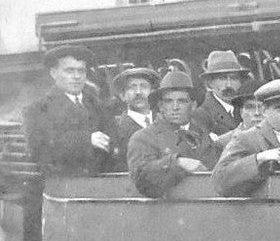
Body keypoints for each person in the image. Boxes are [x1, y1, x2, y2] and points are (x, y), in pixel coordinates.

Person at [22, 44, 120, 175]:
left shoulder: (99, 107)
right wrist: (86, 141)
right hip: (62, 187)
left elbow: (114, 143)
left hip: (101, 183)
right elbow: (38, 150)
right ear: (53, 73)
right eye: (69, 71)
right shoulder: (37, 109)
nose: (77, 76)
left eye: (81, 71)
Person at [126, 70, 213, 197]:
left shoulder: (202, 135)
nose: (175, 107)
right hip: (164, 212)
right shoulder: (143, 138)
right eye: (168, 101)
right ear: (161, 106)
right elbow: (141, 176)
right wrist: (177, 163)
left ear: (193, 105)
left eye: (182, 101)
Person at [191, 50, 250, 138]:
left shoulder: (247, 109)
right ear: (210, 83)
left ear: (240, 82)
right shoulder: (200, 115)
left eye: (234, 78)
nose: (229, 84)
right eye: (222, 79)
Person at [109, 66, 159, 169]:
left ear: (153, 93)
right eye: (132, 87)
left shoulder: (164, 123)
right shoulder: (115, 129)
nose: (138, 92)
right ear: (123, 96)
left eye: (144, 86)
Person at [213, 81, 265, 150]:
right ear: (241, 112)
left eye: (263, 107)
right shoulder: (224, 142)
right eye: (250, 107)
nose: (257, 113)